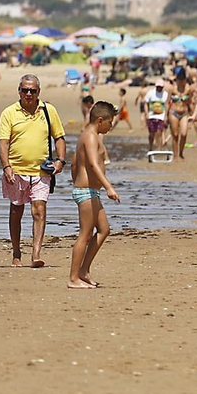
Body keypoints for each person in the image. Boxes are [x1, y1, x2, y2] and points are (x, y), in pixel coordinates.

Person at [0, 74, 66, 268]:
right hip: (16, 171)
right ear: (19, 91)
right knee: (16, 211)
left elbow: (59, 138)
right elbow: (3, 143)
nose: (28, 94)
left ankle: (36, 254)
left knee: (39, 210)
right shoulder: (9, 113)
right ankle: (16, 252)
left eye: (32, 91)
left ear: (38, 92)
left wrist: (60, 161)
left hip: (41, 172)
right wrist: (6, 167)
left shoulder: (48, 110)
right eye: (25, 90)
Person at [68, 101, 121, 289]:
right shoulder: (90, 136)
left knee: (104, 229)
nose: (111, 126)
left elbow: (74, 163)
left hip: (91, 191)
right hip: (86, 192)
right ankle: (73, 278)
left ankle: (84, 271)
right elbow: (92, 164)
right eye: (110, 122)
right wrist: (109, 187)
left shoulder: (90, 135)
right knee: (85, 235)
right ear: (100, 120)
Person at [142, 80, 169, 153]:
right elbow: (145, 103)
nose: (159, 88)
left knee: (159, 132)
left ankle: (158, 148)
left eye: (160, 87)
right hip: (151, 116)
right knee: (151, 133)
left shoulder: (165, 94)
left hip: (161, 116)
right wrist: (146, 113)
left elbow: (167, 105)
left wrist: (166, 116)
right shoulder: (151, 93)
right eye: (158, 87)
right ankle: (150, 146)